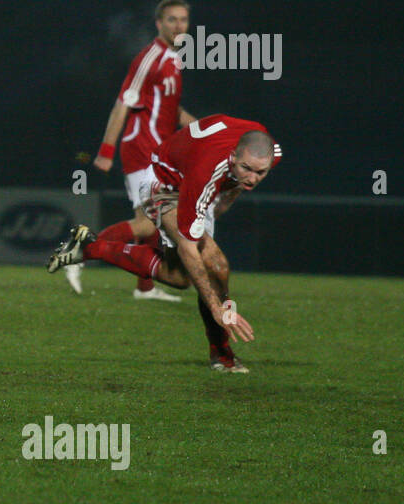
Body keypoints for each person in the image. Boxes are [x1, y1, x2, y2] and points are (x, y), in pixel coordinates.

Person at [48, 115, 281, 373]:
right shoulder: (206, 171)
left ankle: (90, 248)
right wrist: (218, 307)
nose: (253, 177)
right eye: (246, 169)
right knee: (215, 263)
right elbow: (188, 249)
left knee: (180, 278)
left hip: (198, 184)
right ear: (234, 156)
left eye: (261, 172)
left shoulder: (270, 151)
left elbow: (234, 155)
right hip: (164, 185)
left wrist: (232, 191)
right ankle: (222, 355)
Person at [68, 0, 198, 301]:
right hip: (143, 149)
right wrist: (105, 150)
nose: (178, 25)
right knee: (147, 222)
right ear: (159, 23)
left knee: (155, 223)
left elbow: (173, 111)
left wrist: (205, 130)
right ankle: (81, 252)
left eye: (183, 20)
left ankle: (145, 287)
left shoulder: (173, 60)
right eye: (171, 20)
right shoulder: (150, 58)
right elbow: (122, 103)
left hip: (158, 151)